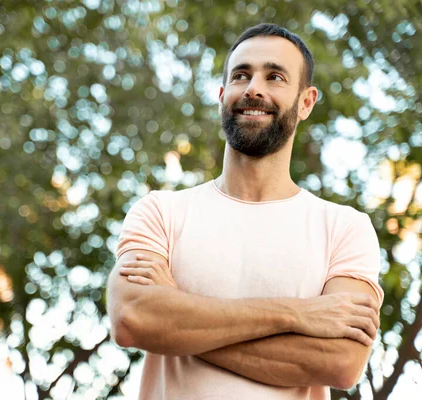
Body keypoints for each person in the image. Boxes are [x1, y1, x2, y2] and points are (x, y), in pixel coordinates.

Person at [106, 23, 383, 399]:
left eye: (275, 76)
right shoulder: (161, 211)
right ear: (222, 95)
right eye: (241, 75)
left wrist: (178, 316)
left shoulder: (345, 228)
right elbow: (132, 319)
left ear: (306, 102)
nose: (254, 88)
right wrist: (296, 315)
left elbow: (340, 362)